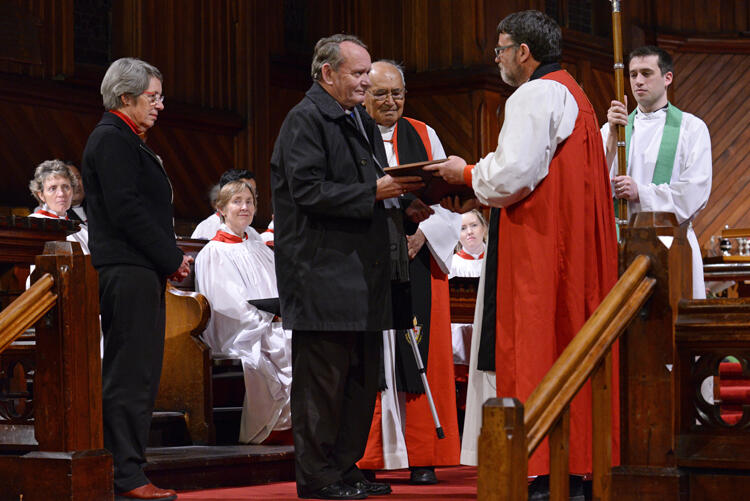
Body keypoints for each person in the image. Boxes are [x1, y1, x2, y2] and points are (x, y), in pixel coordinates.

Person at [427, 10, 618, 499]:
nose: (498, 59)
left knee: (540, 342)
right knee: (567, 340)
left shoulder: (534, 93)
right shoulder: (574, 89)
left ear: (523, 52)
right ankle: (574, 468)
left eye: (501, 49)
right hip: (571, 243)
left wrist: (464, 173)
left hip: (541, 243)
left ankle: (548, 469)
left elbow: (513, 175)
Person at [270, 34, 426, 500]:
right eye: (358, 74)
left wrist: (411, 197)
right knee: (324, 384)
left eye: (366, 73)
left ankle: (344, 466)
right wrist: (373, 195)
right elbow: (307, 192)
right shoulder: (304, 120)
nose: (365, 82)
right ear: (328, 74)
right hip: (322, 275)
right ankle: (318, 477)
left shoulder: (354, 117)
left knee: (360, 380)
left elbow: (374, 175)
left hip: (362, 274)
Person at [82, 57, 191, 501]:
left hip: (138, 268)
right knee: (130, 374)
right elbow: (127, 210)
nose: (160, 105)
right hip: (127, 270)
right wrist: (170, 257)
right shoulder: (112, 140)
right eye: (153, 96)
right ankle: (125, 474)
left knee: (140, 372)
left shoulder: (127, 139)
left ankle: (129, 467)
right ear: (125, 98)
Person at [357, 60, 461, 485]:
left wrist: (425, 234)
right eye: (380, 94)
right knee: (373, 357)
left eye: (397, 94)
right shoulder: (350, 132)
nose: (390, 102)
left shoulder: (422, 133)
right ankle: (373, 456)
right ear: (364, 94)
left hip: (417, 256)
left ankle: (422, 452)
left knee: (420, 346)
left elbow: (445, 198)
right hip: (370, 261)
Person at [602, 45, 712, 299]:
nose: (638, 81)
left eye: (646, 73)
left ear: (667, 78)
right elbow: (591, 189)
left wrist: (640, 192)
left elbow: (694, 192)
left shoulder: (691, 129)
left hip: (673, 246)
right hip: (620, 246)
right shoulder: (612, 130)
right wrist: (609, 139)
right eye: (632, 74)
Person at [195, 181, 291, 445]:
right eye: (237, 201)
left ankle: (299, 432)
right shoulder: (214, 252)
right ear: (221, 209)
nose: (244, 207)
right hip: (241, 332)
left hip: (270, 323)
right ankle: (270, 434)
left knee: (302, 346)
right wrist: (268, 319)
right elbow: (227, 305)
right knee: (277, 353)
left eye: (249, 202)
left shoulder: (258, 245)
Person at [28, 159, 89, 254]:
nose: (61, 194)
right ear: (41, 195)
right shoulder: (31, 225)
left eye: (66, 187)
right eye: (53, 188)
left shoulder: (83, 230)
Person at [191, 169, 263, 241]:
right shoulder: (206, 228)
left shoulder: (253, 234)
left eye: (254, 192)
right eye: (244, 190)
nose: (252, 197)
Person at [448, 209, 487, 279]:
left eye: (474, 225)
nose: (469, 232)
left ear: (483, 227)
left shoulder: (497, 259)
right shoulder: (451, 265)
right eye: (462, 228)